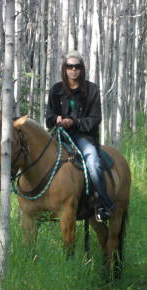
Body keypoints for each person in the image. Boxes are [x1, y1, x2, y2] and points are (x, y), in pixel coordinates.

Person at [45, 51, 114, 221]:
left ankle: (103, 204)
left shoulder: (92, 90)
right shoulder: (56, 90)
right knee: (38, 156)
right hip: (59, 135)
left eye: (77, 67)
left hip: (84, 137)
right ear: (65, 69)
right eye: (70, 66)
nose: (73, 70)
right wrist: (56, 119)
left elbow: (95, 119)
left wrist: (74, 122)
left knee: (93, 161)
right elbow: (48, 118)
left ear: (82, 69)